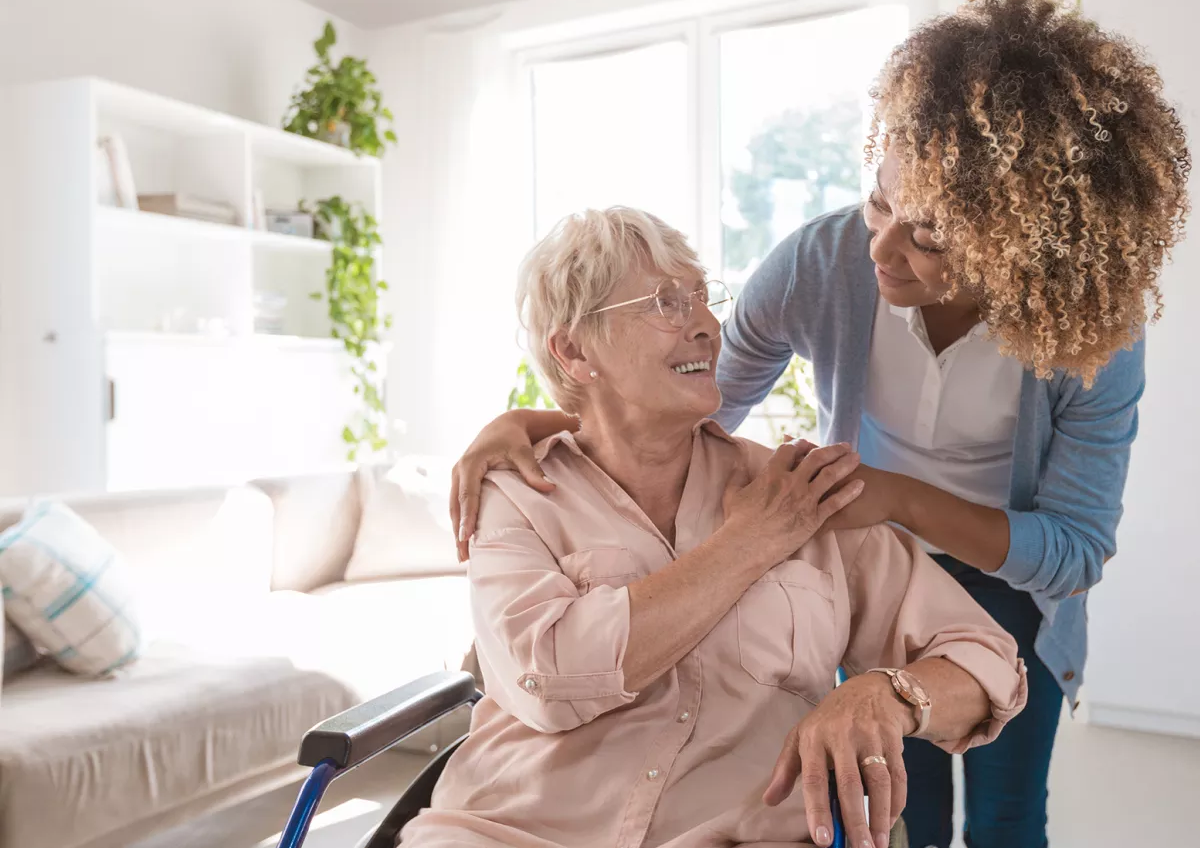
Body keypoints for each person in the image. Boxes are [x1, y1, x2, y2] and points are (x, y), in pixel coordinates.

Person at [448, 0, 1190, 847]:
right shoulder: (824, 260)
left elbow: (1075, 548)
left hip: (1003, 575)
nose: (880, 248)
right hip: (858, 534)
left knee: (1007, 816)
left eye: (930, 235)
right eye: (879, 201)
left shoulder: (1091, 331)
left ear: (1019, 245)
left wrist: (896, 500)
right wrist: (545, 419)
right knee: (901, 808)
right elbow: (695, 397)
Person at [402, 207, 1027, 848]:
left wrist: (888, 694)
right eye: (666, 303)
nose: (705, 326)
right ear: (573, 349)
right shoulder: (515, 493)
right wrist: (747, 544)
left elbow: (988, 661)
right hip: (506, 830)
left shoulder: (800, 493)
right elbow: (553, 679)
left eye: (703, 300)